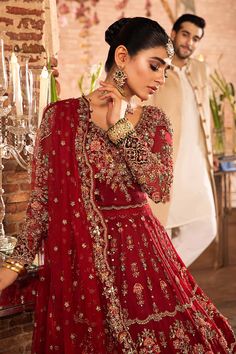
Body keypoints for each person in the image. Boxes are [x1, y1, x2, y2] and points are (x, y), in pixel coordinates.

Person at [0, 17, 235, 354]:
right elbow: (41, 204)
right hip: (80, 265)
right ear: (122, 57)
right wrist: (12, 267)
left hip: (142, 263)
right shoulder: (60, 117)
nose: (160, 78)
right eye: (154, 65)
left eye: (166, 70)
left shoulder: (154, 121)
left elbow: (159, 187)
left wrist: (121, 128)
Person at [148, 14, 217, 267]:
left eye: (195, 38)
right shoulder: (157, 68)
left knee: (206, 227)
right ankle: (164, 287)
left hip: (197, 162)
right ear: (174, 33)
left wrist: (211, 154)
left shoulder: (200, 70)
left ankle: (164, 276)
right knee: (161, 230)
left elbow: (205, 116)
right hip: (166, 164)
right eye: (185, 34)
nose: (189, 42)